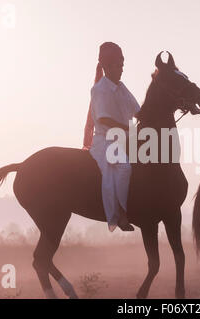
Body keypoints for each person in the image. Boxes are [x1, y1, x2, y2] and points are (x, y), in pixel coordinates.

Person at [82, 42, 140, 232]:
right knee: (124, 167)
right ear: (107, 67)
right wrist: (126, 128)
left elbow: (138, 111)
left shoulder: (122, 88)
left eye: (122, 65)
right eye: (118, 65)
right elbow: (104, 118)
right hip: (105, 141)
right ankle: (120, 214)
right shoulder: (99, 89)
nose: (121, 69)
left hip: (124, 139)